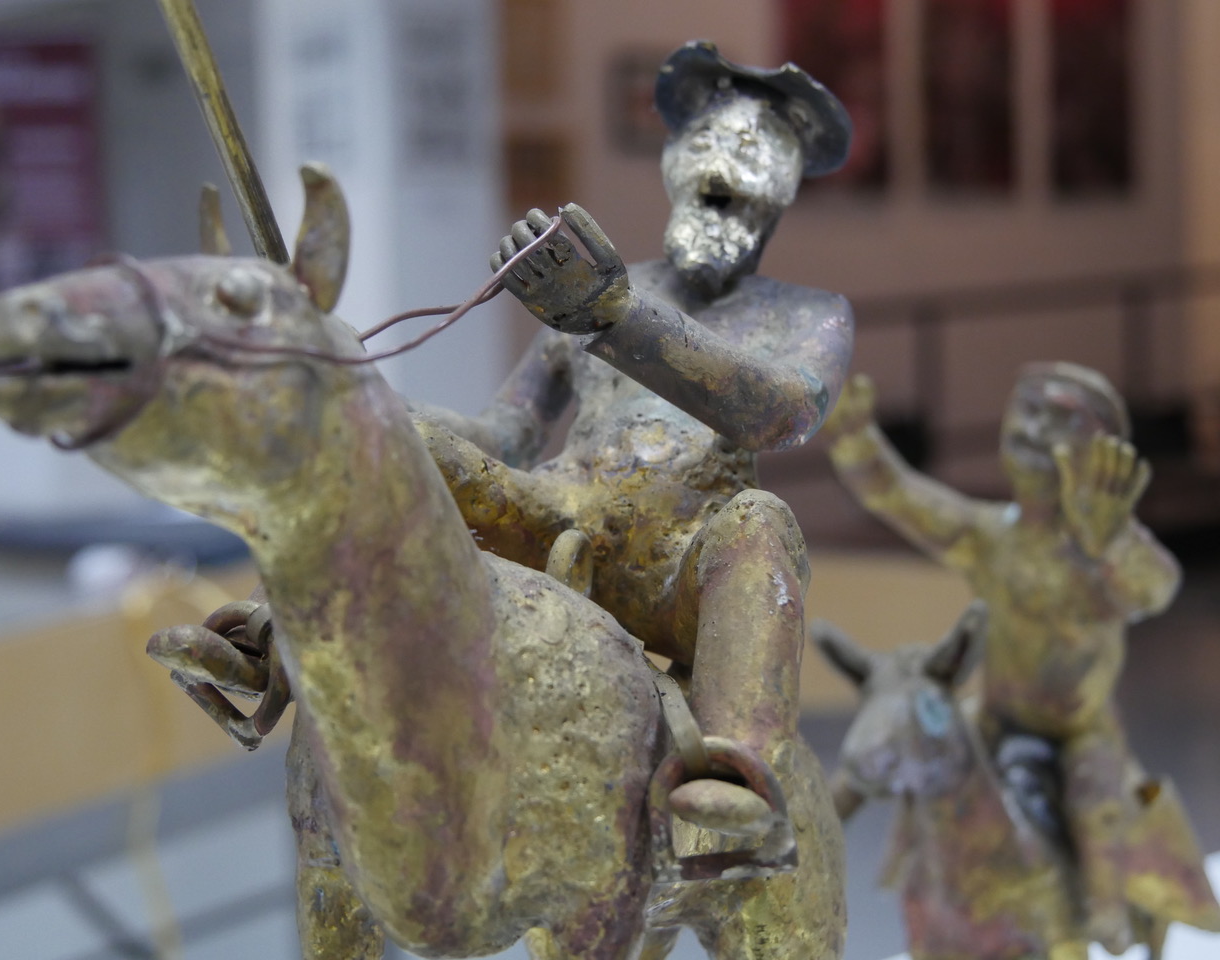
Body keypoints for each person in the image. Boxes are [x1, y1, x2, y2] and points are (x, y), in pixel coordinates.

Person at [412, 40, 854, 828]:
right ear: (673, 161)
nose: (723, 162)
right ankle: (267, 643)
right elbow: (506, 433)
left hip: (680, 570)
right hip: (558, 524)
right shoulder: (602, 285)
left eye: (753, 148)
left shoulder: (807, 314)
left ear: (784, 189)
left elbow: (779, 414)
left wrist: (616, 316)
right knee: (405, 449)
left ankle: (734, 767)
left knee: (760, 523)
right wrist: (384, 418)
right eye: (707, 139)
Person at [820, 363, 1181, 951]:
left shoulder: (1095, 556)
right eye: (1029, 410)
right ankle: (829, 820)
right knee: (907, 727)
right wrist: (859, 442)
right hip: (993, 717)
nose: (1036, 429)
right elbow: (903, 497)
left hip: (1079, 732)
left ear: (1103, 455)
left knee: (1096, 798)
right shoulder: (990, 535)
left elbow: (1157, 588)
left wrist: (1116, 542)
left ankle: (1106, 908)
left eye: (1061, 420)